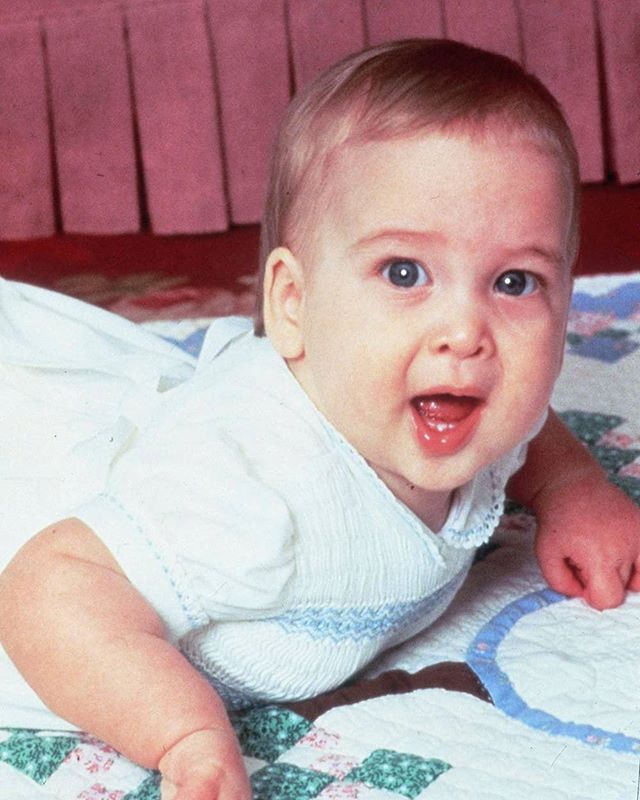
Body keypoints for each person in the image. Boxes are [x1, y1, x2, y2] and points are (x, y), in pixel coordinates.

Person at [1, 38, 639, 800]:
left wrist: (574, 487)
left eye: (514, 281)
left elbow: (524, 434)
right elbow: (47, 589)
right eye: (405, 273)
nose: (466, 331)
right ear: (293, 306)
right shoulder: (252, 482)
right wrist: (184, 733)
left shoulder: (461, 400)